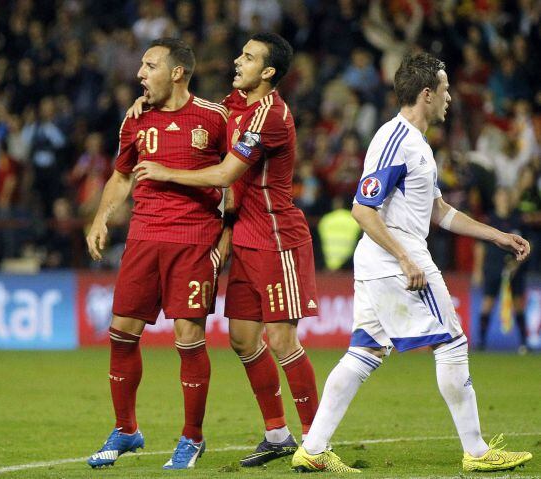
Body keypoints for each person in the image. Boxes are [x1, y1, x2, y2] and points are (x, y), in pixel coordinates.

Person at [289, 52, 533, 473]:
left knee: (363, 352)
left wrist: (495, 234)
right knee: (452, 340)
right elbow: (362, 209)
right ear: (426, 93)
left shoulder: (417, 145)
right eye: (444, 89)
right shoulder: (394, 139)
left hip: (383, 260)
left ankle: (312, 449)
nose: (450, 97)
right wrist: (404, 258)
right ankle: (477, 452)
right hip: (395, 258)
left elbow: (438, 212)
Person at [133, 33, 322, 467]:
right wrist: (148, 108)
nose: (238, 61)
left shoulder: (269, 116)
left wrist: (165, 172)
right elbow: (193, 115)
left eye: (249, 57)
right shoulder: (233, 104)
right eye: (241, 54)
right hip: (245, 237)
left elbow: (224, 175)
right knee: (241, 338)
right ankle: (277, 434)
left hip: (277, 238)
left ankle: (316, 439)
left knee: (280, 338)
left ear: (269, 72)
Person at [85, 38, 228, 470]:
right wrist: (101, 217)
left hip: (194, 238)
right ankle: (126, 429)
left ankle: (192, 437)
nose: (140, 74)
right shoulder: (136, 120)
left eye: (149, 66)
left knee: (188, 337)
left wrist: (224, 244)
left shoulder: (215, 118)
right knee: (121, 331)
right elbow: (121, 176)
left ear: (178, 72)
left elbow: (234, 181)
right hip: (144, 237)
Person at [473, 188, 529, 353]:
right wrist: (478, 270)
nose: (503, 199)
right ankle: (481, 342)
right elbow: (480, 246)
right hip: (493, 266)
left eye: (506, 196)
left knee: (518, 304)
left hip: (515, 269)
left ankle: (524, 344)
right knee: (487, 303)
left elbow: (525, 247)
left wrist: (516, 264)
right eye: (500, 196)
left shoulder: (517, 219)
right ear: (495, 199)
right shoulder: (489, 219)